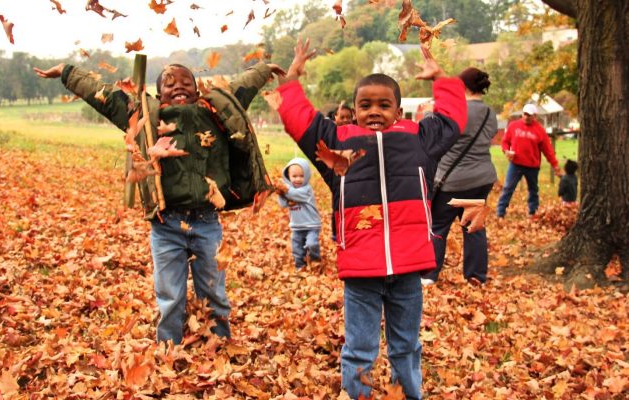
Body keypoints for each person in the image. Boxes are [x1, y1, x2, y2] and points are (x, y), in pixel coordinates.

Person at [34, 60, 285, 344]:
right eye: (170, 83)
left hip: (206, 222)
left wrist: (264, 69)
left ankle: (220, 344)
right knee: (170, 295)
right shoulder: (145, 115)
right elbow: (102, 95)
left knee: (214, 291)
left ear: (197, 88)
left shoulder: (214, 111)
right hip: (166, 225)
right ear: (158, 93)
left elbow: (241, 86)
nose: (179, 86)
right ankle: (169, 347)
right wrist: (67, 72)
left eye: (186, 82)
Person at [274, 39, 466, 400]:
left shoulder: (418, 140)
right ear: (355, 109)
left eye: (383, 104)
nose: (374, 111)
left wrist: (440, 78)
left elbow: (453, 119)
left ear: (397, 110)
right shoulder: (336, 144)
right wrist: (293, 76)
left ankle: (409, 394)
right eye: (365, 105)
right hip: (362, 269)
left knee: (405, 346)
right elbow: (298, 119)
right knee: (360, 348)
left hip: (409, 267)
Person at [420, 67, 498, 286]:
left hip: (452, 180)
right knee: (473, 228)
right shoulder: (491, 113)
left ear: (461, 86)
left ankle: (428, 275)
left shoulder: (458, 109)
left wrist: (428, 112)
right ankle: (475, 276)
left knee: (437, 226)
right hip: (481, 178)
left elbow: (435, 132)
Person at [496, 103, 561, 218]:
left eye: (529, 115)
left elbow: (548, 150)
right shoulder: (513, 126)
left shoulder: (540, 130)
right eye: (525, 114)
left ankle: (533, 212)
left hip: (532, 165)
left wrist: (555, 165)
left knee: (533, 189)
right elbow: (505, 142)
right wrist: (506, 151)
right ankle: (500, 212)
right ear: (522, 114)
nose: (526, 117)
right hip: (515, 163)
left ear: (535, 116)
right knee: (508, 187)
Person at [276, 158, 322, 269]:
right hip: (297, 226)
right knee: (296, 247)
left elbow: (295, 194)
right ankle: (300, 265)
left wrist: (285, 190)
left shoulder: (307, 190)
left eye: (301, 176)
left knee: (312, 244)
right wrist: (280, 193)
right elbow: (283, 204)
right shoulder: (289, 190)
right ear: (289, 177)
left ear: (306, 176)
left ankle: (315, 259)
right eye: (294, 176)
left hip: (311, 225)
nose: (298, 179)